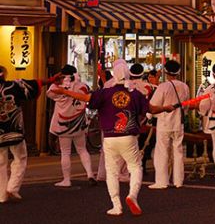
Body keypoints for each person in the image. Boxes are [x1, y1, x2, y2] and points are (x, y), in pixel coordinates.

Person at [51, 61, 175, 216]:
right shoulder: (135, 93)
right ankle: (132, 195)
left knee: (112, 171)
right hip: (129, 137)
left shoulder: (105, 93)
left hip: (110, 137)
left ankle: (116, 206)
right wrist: (165, 108)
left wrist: (65, 91)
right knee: (135, 167)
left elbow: (85, 97)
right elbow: (151, 109)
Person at [0, 66, 60, 204]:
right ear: (3, 75)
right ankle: (12, 187)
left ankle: (1, 196)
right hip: (14, 131)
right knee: (20, 158)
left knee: (0, 163)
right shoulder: (14, 85)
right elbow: (35, 83)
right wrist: (51, 79)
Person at [46, 64, 96, 187]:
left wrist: (56, 80)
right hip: (79, 124)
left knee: (65, 152)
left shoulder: (58, 88)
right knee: (82, 150)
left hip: (63, 125)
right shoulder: (83, 86)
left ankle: (66, 179)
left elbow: (49, 93)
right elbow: (89, 95)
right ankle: (90, 174)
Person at [149, 60, 190, 190]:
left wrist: (149, 116)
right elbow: (186, 106)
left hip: (164, 123)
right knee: (178, 152)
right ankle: (178, 181)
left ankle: (162, 181)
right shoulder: (184, 86)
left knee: (162, 151)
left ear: (166, 72)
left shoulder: (163, 87)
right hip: (179, 123)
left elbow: (153, 105)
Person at [128, 64, 157, 174]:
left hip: (128, 118)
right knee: (143, 143)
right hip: (145, 118)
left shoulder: (126, 86)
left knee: (129, 145)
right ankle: (142, 166)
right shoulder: (149, 87)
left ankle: (129, 168)